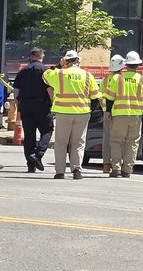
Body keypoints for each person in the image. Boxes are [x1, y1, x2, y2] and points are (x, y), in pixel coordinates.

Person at [43, 49, 100, 180]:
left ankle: (60, 172)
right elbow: (95, 96)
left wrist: (58, 65)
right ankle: (76, 170)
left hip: (63, 112)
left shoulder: (59, 73)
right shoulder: (87, 75)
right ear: (78, 61)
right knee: (78, 143)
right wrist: (89, 111)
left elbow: (45, 76)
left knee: (61, 143)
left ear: (66, 61)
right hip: (82, 112)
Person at [104, 51, 143, 178]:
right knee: (132, 143)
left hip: (119, 115)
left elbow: (109, 98)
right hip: (136, 116)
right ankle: (127, 169)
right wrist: (141, 112)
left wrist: (108, 111)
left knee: (116, 141)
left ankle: (116, 169)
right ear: (138, 65)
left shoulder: (117, 78)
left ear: (126, 65)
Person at [15, 47, 53, 173]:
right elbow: (49, 90)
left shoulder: (22, 71)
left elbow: (16, 92)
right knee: (47, 130)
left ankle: (30, 164)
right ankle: (37, 155)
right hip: (41, 105)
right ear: (42, 56)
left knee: (29, 135)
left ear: (31, 57)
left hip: (25, 105)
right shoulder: (45, 71)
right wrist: (52, 103)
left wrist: (18, 104)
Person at [100, 54, 125, 175]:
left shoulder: (106, 79)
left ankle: (106, 165)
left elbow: (100, 96)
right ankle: (118, 164)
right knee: (119, 140)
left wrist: (104, 109)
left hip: (107, 111)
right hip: (119, 112)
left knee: (107, 139)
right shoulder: (121, 79)